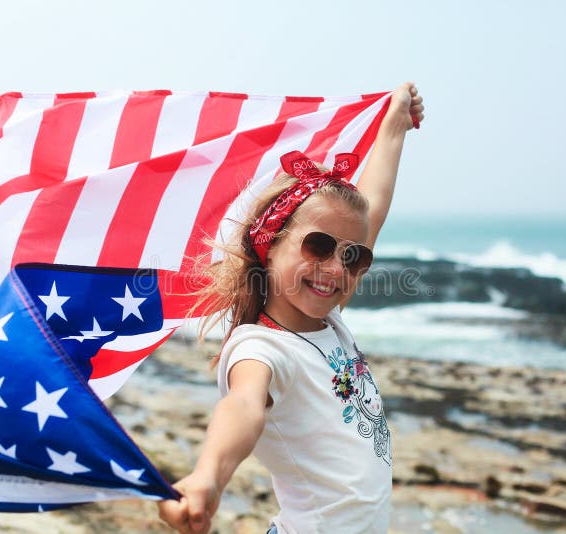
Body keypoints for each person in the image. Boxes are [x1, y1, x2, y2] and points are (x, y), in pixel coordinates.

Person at [158, 82, 424, 534]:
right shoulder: (260, 348)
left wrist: (395, 126)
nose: (334, 268)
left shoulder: (329, 320)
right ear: (270, 247)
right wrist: (209, 477)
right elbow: (243, 407)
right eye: (317, 246)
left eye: (352, 255)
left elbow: (372, 206)